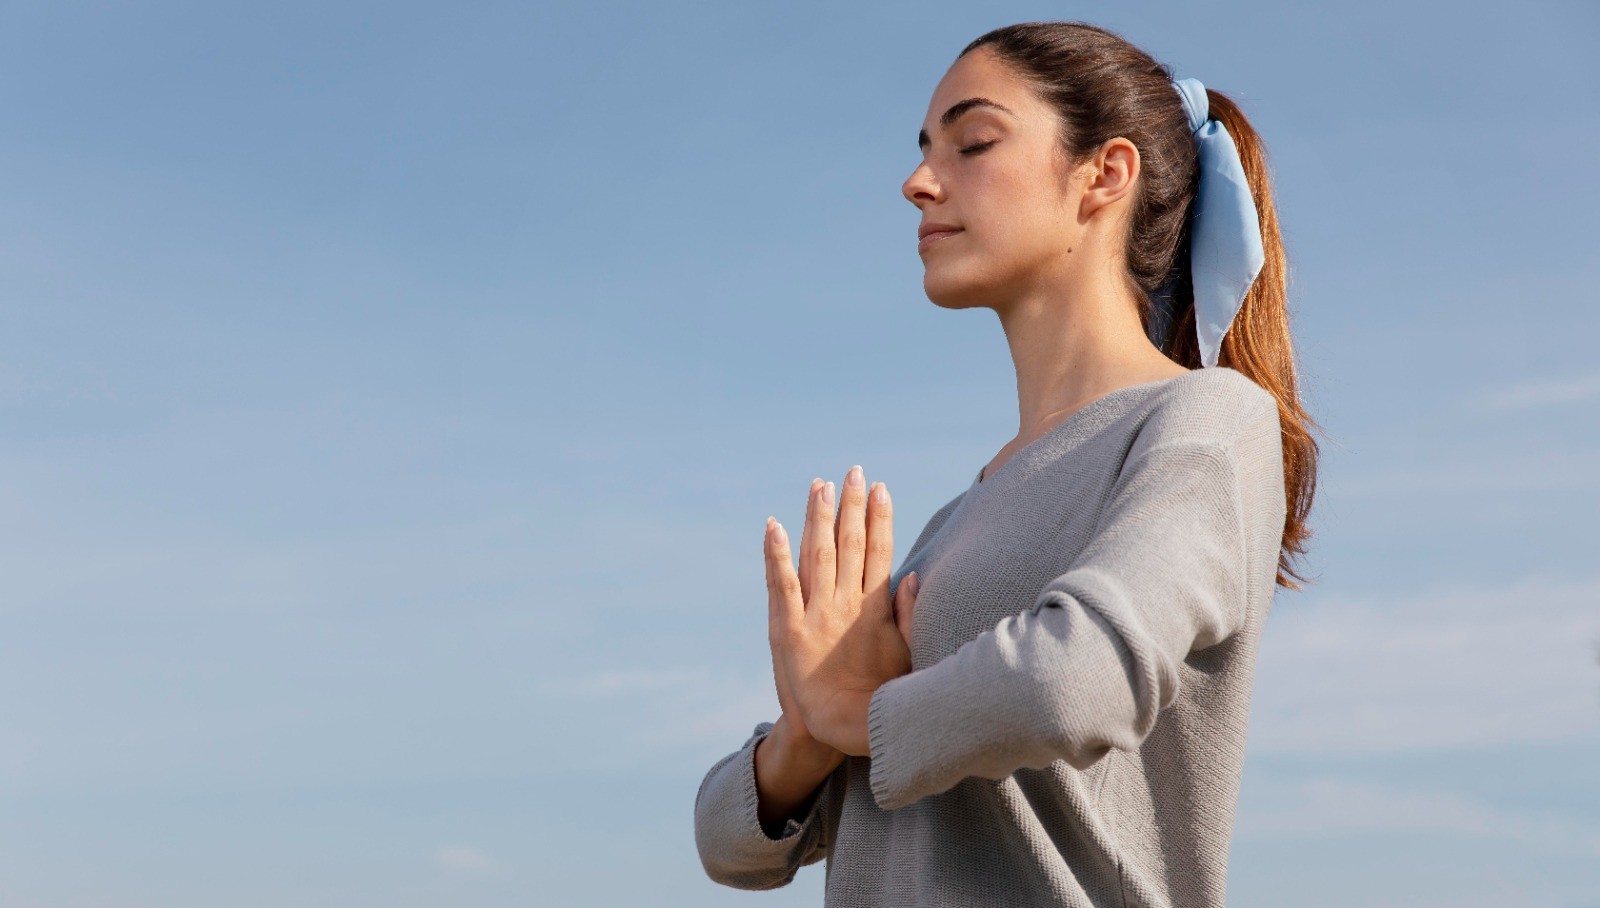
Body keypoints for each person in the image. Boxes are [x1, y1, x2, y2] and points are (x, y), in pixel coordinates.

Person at [693, 20, 1321, 908]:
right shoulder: (957, 523)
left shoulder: (1206, 420)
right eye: (924, 151)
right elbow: (727, 841)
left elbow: (1075, 680)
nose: (919, 182)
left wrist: (858, 717)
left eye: (973, 142)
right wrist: (808, 733)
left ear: (1104, 174)